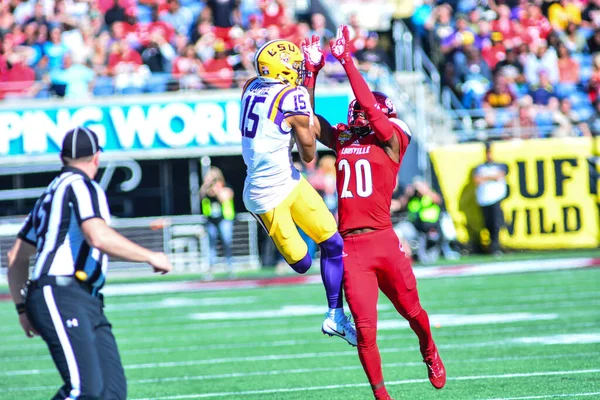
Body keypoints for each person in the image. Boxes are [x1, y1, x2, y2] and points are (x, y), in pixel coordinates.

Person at [302, 27, 446, 400]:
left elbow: (371, 110)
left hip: (383, 239)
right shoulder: (347, 138)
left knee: (413, 312)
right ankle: (382, 397)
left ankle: (429, 350)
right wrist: (312, 72)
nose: (356, 118)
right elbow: (308, 120)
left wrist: (347, 61)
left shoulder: (392, 139)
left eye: (362, 113)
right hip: (352, 247)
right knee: (365, 331)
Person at [6, 127, 173, 400]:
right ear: (96, 157)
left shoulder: (50, 194)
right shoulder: (82, 186)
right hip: (62, 293)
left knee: (112, 392)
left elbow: (16, 258)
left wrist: (22, 309)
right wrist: (150, 255)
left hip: (80, 298)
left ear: (62, 158)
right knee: (85, 390)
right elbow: (98, 236)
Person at [240, 38, 356, 345]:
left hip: (288, 180)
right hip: (266, 195)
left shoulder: (250, 86)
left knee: (332, 242)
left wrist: (307, 84)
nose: (299, 70)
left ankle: (336, 316)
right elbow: (309, 156)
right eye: (295, 66)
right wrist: (309, 84)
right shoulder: (291, 98)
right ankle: (267, 223)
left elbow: (291, 104)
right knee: (303, 264)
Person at [472, 142, 509, 255]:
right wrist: (491, 177)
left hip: (496, 198)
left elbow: (499, 176)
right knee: (487, 223)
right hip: (484, 199)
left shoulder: (500, 165)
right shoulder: (479, 167)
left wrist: (486, 177)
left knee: (496, 222)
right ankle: (490, 246)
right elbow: (477, 180)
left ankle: (496, 246)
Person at [200, 166, 235, 277]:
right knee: (211, 245)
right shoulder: (205, 189)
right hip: (211, 220)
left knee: (227, 242)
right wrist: (206, 186)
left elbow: (224, 198)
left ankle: (229, 267)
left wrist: (217, 189)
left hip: (224, 219)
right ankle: (210, 269)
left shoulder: (226, 187)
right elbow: (200, 196)